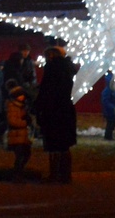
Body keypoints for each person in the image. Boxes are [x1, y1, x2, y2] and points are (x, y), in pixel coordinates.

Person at [33, 47, 76, 183]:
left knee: (53, 144)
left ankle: (55, 175)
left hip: (53, 110)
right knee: (64, 145)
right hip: (66, 110)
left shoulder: (52, 68)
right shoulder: (68, 68)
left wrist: (37, 106)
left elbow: (46, 90)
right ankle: (66, 175)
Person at [5, 80, 33, 180]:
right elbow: (12, 121)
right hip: (16, 136)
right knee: (20, 155)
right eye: (21, 95)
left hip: (22, 136)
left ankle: (18, 172)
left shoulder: (21, 105)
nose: (23, 97)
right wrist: (25, 122)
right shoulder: (12, 106)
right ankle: (17, 174)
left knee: (26, 154)